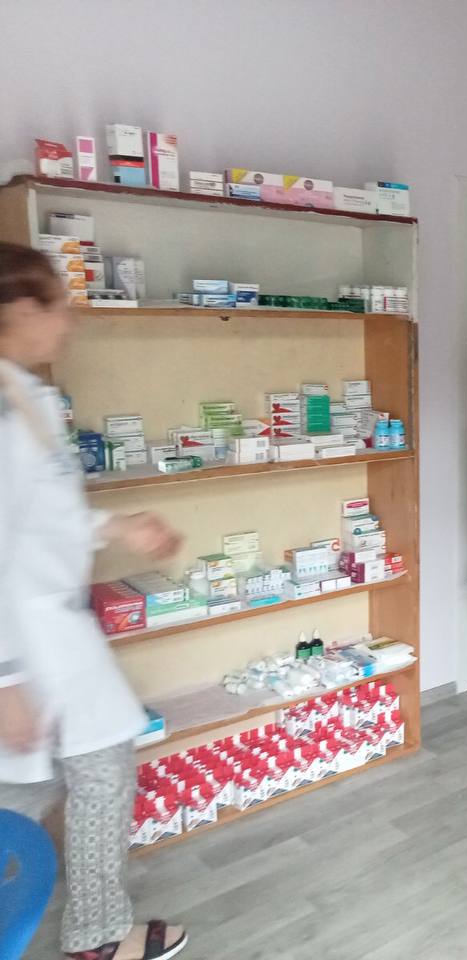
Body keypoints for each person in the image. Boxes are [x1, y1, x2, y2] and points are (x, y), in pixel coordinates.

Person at [0, 242, 189, 960]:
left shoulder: (30, 397)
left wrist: (119, 527)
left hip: (52, 628)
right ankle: (98, 937)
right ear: (23, 310)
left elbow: (47, 516)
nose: (70, 321)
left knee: (49, 785)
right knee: (88, 774)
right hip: (25, 639)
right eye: (60, 305)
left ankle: (97, 932)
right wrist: (5, 680)